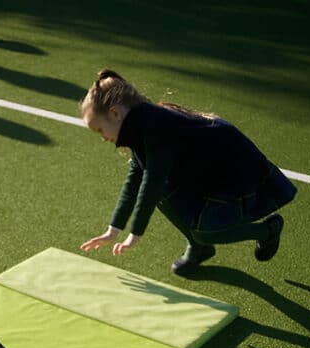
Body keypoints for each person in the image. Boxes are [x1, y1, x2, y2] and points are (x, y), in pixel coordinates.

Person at [79, 69, 297, 277]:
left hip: (230, 166)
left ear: (115, 113)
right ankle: (199, 248)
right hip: (199, 168)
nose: (102, 137)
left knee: (205, 230)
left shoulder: (154, 126)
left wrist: (135, 234)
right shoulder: (136, 127)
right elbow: (135, 178)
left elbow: (151, 183)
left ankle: (267, 230)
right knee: (164, 196)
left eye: (100, 129)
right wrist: (113, 229)